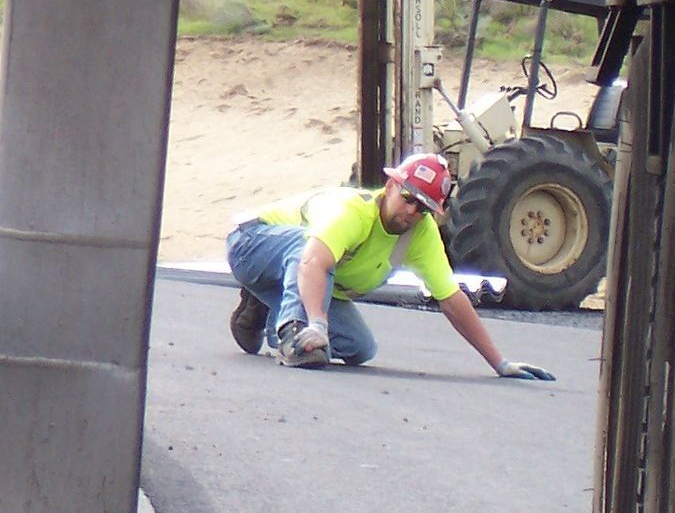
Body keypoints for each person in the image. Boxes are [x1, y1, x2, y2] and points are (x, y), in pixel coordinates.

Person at [225, 153, 556, 380]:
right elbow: (313, 261)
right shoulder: (352, 211)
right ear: (391, 187)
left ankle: (262, 308)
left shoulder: (420, 234)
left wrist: (500, 363)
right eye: (408, 198)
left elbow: (451, 298)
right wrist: (317, 326)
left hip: (305, 272)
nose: (412, 211)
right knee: (310, 247)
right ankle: (294, 331)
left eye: (423, 207)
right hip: (252, 244)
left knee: (359, 348)